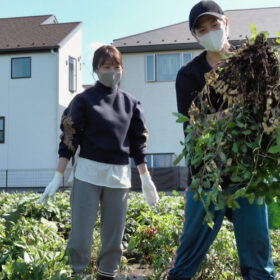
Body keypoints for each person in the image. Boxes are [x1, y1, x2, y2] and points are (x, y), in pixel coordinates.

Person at [167, 1, 275, 279]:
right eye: (201, 29)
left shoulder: (253, 64)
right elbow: (193, 129)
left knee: (258, 259)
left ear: (226, 23)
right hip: (207, 176)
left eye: (214, 24)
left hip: (247, 175)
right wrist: (234, 115)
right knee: (187, 256)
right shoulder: (188, 75)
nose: (210, 31)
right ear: (195, 36)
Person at [38, 45, 159, 280]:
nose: (112, 71)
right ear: (95, 70)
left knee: (114, 237)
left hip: (119, 177)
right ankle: (76, 274)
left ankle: (107, 275)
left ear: (122, 70)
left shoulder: (131, 103)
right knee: (81, 236)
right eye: (106, 67)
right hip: (87, 175)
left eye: (116, 67)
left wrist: (146, 178)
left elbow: (138, 143)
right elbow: (70, 138)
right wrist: (57, 175)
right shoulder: (83, 100)